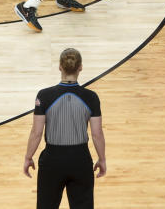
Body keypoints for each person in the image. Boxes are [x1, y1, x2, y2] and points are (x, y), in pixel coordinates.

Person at [24, 48, 106, 209]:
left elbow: (36, 133)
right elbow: (97, 134)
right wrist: (102, 159)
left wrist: (28, 156)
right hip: (80, 160)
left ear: (60, 67)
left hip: (52, 161)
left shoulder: (44, 95)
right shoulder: (91, 97)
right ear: (80, 67)